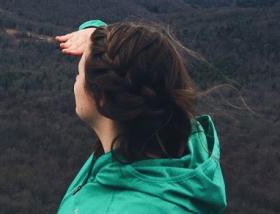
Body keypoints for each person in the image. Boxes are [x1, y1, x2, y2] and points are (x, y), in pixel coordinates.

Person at [53, 19, 227, 213]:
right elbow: (143, 63)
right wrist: (98, 34)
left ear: (102, 97)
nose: (76, 81)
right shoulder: (182, 147)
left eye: (79, 74)